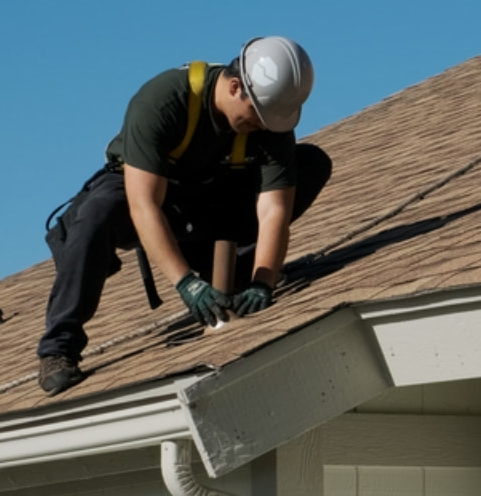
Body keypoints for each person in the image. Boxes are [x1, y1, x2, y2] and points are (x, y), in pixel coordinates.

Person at [36, 36, 331, 395]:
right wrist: (185, 282)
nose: (263, 126)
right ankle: (59, 349)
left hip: (211, 199)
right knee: (97, 213)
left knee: (312, 164)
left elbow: (274, 209)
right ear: (235, 86)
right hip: (148, 197)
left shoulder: (269, 122)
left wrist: (263, 281)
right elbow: (143, 203)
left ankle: (236, 277)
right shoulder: (164, 101)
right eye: (257, 116)